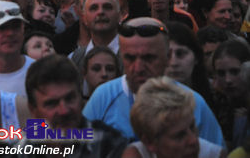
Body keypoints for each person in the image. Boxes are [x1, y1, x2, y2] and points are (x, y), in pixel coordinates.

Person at [83, 17, 224, 145]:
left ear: (167, 57)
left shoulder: (193, 104)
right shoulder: (103, 97)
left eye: (148, 58)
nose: (138, 68)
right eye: (130, 58)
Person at [18, 54, 128, 157]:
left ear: (81, 98)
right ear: (33, 110)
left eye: (70, 99)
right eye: (52, 104)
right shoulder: (20, 151)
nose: (64, 111)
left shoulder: (110, 144)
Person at [122, 76, 225, 158]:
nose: (193, 140)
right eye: (179, 136)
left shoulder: (214, 155)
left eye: (192, 127)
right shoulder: (136, 154)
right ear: (149, 142)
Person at [0, 0, 34, 97]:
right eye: (1, 28)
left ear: (23, 30)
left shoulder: (41, 73)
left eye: (15, 27)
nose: (10, 33)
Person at [165, 21, 213, 107]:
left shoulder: (216, 94)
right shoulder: (145, 100)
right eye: (167, 55)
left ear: (196, 57)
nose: (173, 63)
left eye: (180, 54)